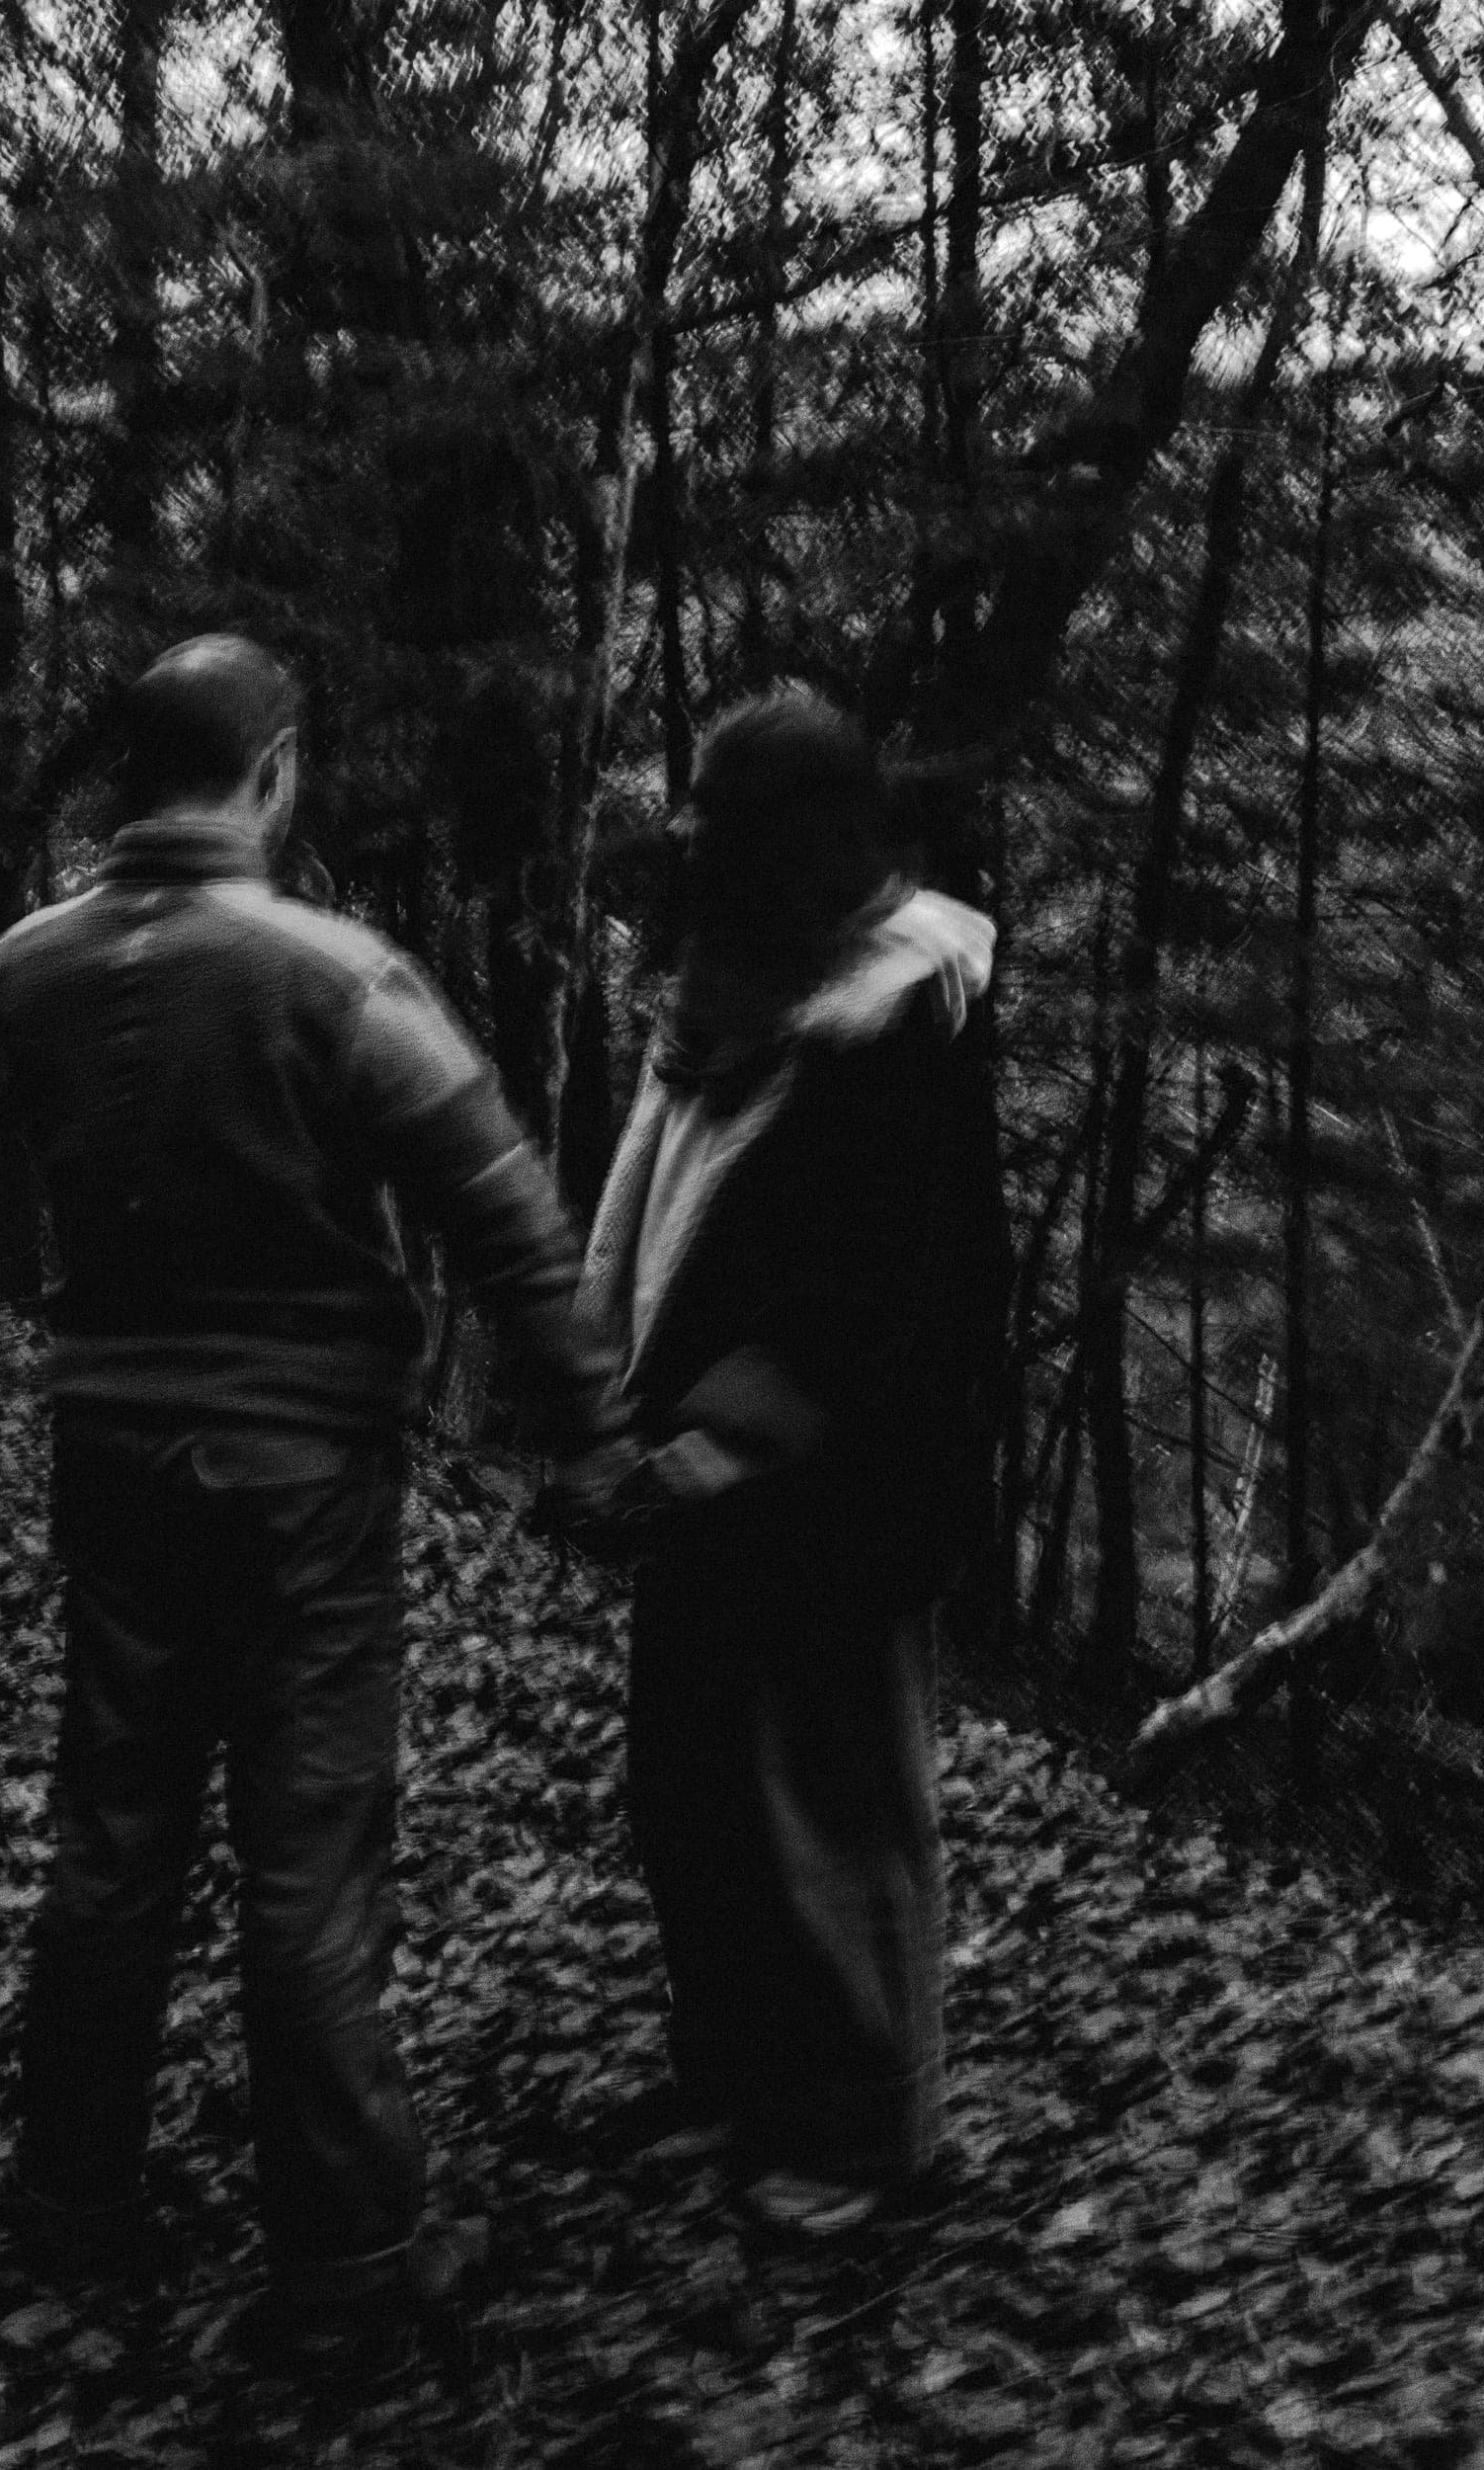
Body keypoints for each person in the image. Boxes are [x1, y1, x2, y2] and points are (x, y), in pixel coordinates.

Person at [0, 633, 631, 2366]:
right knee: (308, 1848)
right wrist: (593, 1429)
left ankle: (72, 2192)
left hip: (108, 1452)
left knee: (115, 1825)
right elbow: (500, 1204)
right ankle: (346, 2250)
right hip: (301, 1472)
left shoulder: (20, 968)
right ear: (273, 773)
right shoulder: (333, 975)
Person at [576, 690, 1008, 2236]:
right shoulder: (748, 987)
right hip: (702, 1482)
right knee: (692, 1793)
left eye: (730, 836)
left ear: (813, 846)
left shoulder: (900, 1023)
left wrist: (715, 1452)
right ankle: (743, 2079)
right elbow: (668, 1212)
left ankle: (865, 2136)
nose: (701, 863)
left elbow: (889, 1313)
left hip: (832, 1503)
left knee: (829, 1807)